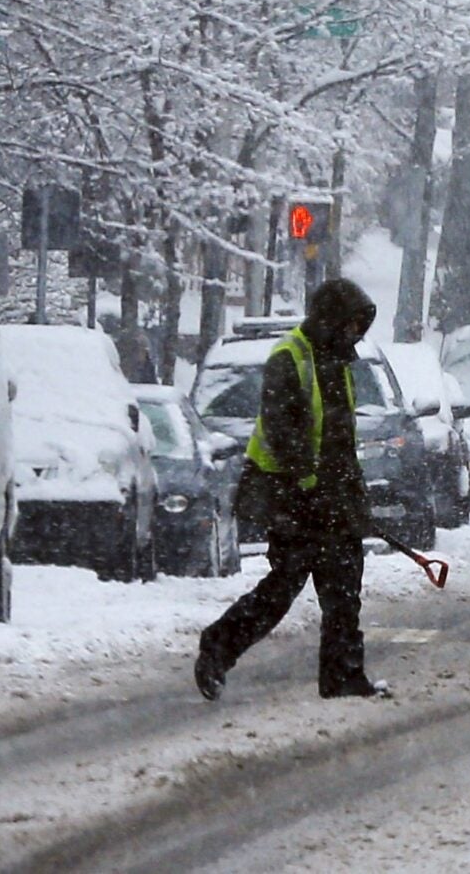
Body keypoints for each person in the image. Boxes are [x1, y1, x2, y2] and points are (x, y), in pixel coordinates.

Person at [195, 278, 391, 701]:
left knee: (344, 590)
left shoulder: (339, 362)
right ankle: (217, 646)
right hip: (291, 498)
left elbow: (339, 439)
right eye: (352, 324)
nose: (357, 334)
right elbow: (285, 434)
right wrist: (311, 487)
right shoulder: (290, 357)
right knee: (283, 587)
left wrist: (351, 497)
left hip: (330, 498)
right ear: (332, 320)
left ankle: (343, 675)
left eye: (361, 326)